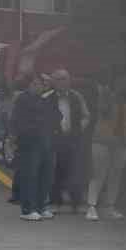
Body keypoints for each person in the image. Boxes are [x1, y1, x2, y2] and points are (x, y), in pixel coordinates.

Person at [9, 73, 56, 221]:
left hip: (46, 142)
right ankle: (28, 209)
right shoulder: (23, 99)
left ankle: (41, 206)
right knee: (30, 176)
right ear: (29, 85)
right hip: (30, 143)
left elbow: (56, 117)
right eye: (35, 84)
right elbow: (18, 120)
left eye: (41, 84)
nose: (39, 86)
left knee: (45, 176)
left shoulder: (45, 99)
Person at [85, 78, 126, 220]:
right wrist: (111, 96)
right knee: (98, 174)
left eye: (125, 84)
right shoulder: (105, 97)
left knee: (115, 176)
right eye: (119, 83)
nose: (122, 86)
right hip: (102, 141)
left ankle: (110, 206)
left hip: (122, 142)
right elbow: (103, 111)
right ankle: (91, 206)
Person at [46, 69, 90, 213]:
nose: (62, 82)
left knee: (75, 171)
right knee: (56, 171)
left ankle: (76, 203)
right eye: (58, 79)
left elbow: (86, 116)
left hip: (73, 139)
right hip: (54, 139)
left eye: (64, 79)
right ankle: (55, 202)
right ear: (53, 82)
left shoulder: (77, 97)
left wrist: (79, 129)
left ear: (69, 81)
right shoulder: (47, 97)